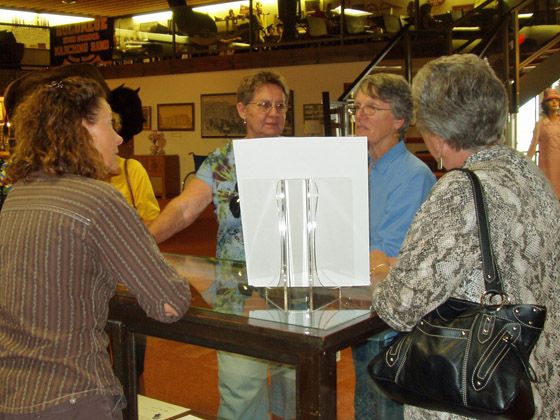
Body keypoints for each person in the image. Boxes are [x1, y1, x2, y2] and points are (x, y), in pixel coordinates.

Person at [371, 54, 560, 419]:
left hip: (473, 392)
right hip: (535, 383)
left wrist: (379, 269)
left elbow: (400, 306)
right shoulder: (530, 177)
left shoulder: (460, 190)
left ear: (437, 131)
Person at [0, 76, 191, 419]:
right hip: (75, 398)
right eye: (109, 124)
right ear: (81, 130)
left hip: (13, 396)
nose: (119, 138)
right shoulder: (99, 199)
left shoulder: (18, 196)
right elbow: (168, 303)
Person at [149, 70, 294, 419]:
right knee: (241, 390)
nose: (274, 112)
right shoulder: (222, 162)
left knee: (298, 393)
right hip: (237, 295)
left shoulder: (300, 157)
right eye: (264, 104)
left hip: (296, 295)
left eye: (280, 105)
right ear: (242, 110)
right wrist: (143, 241)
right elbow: (185, 208)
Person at [351, 73, 436, 419]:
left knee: (383, 407)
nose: (361, 114)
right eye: (358, 107)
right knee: (365, 403)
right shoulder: (360, 168)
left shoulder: (412, 175)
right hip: (360, 306)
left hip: (390, 320)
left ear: (399, 119)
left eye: (373, 107)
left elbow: (384, 253)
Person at [527, 87, 560, 198]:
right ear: (545, 104)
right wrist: (525, 163)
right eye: (551, 100)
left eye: (557, 100)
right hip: (548, 168)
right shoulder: (541, 125)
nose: (555, 102)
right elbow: (533, 146)